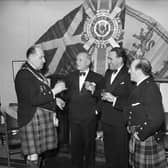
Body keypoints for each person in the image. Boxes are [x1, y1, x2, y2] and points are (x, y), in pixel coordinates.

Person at [15, 45, 66, 167]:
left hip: (38, 118)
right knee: (33, 155)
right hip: (31, 119)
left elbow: (40, 95)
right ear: (31, 57)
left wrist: (54, 100)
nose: (44, 60)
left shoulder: (35, 73)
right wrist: (54, 91)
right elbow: (33, 99)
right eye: (41, 57)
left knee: (38, 154)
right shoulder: (24, 75)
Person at [126, 58, 167, 168]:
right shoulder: (141, 85)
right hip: (140, 135)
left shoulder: (150, 88)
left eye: (131, 69)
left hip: (146, 136)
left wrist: (140, 134)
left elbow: (157, 119)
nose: (129, 71)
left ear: (139, 71)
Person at [65, 51, 103, 168]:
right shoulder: (70, 76)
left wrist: (96, 111)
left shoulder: (98, 78)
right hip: (74, 118)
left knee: (89, 148)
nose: (77, 62)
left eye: (80, 60)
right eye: (76, 60)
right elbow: (65, 95)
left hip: (89, 118)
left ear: (88, 61)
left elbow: (102, 97)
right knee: (75, 148)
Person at [100, 47, 133, 168]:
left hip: (120, 121)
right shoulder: (108, 73)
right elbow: (103, 91)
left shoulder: (130, 74)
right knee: (109, 153)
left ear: (120, 59)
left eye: (110, 58)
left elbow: (132, 100)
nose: (108, 61)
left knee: (121, 155)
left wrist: (114, 99)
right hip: (106, 120)